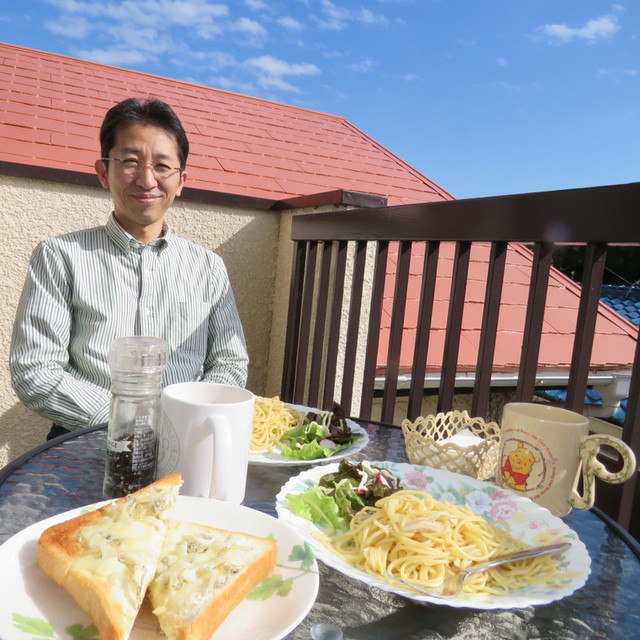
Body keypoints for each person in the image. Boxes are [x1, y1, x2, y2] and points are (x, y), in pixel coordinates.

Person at [10, 97, 249, 440]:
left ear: (181, 181)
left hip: (184, 438)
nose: (147, 179)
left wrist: (185, 418)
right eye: (131, 162)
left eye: (163, 166)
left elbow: (229, 364)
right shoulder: (60, 256)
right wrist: (129, 424)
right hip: (87, 438)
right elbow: (36, 370)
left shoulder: (208, 267)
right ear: (104, 172)